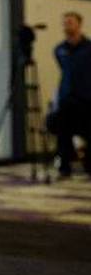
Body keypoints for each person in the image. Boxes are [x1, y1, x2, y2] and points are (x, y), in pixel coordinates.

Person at [53, 11, 91, 177]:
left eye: (71, 22)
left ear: (79, 24)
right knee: (63, 132)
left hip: (87, 97)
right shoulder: (59, 49)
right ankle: (64, 166)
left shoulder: (89, 47)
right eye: (65, 22)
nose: (67, 25)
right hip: (67, 98)